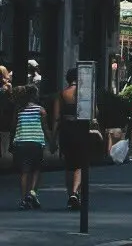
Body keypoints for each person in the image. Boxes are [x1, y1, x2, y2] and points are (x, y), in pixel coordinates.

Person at [53, 68, 95, 209]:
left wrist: (53, 139)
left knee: (69, 164)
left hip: (66, 130)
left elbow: (56, 118)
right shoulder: (85, 93)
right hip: (81, 129)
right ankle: (75, 192)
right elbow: (94, 112)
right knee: (81, 164)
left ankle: (70, 194)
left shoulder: (61, 94)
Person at [13, 85, 47, 209]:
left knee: (24, 172)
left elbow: (13, 126)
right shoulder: (41, 110)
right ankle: (32, 193)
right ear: (34, 95)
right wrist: (52, 142)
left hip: (21, 143)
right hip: (36, 143)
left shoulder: (19, 110)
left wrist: (12, 142)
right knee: (36, 169)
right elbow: (45, 128)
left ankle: (24, 199)